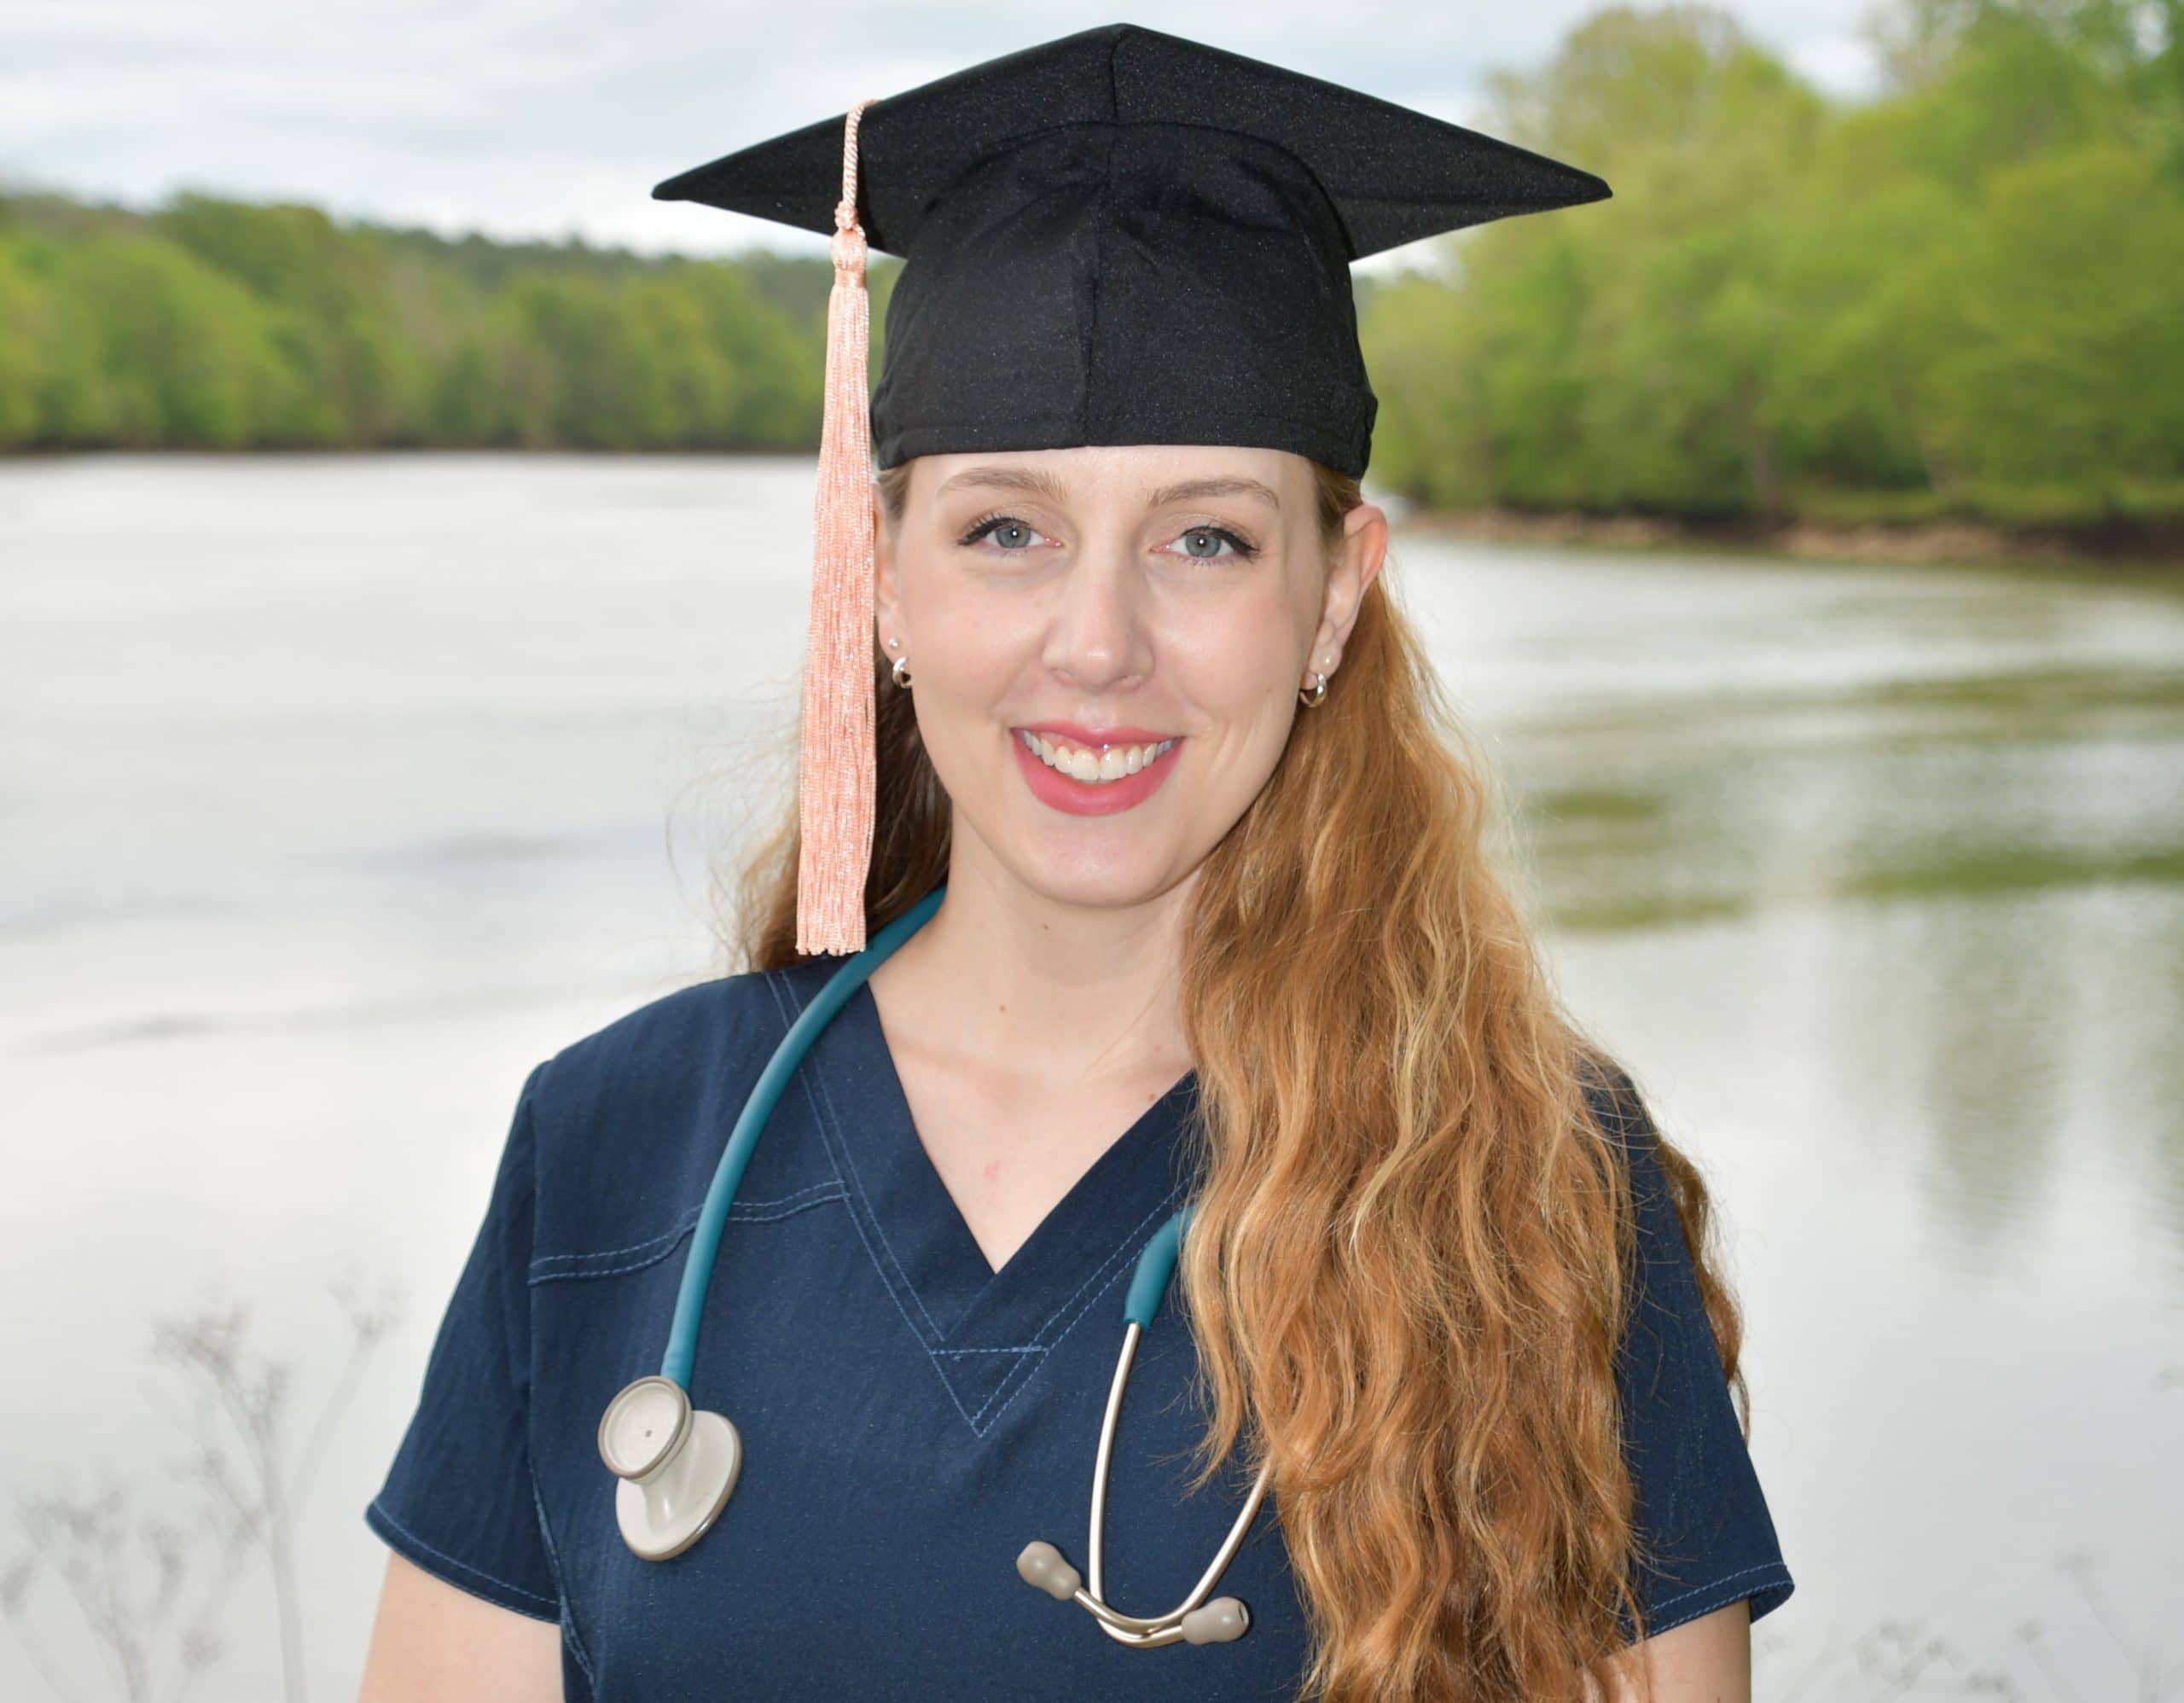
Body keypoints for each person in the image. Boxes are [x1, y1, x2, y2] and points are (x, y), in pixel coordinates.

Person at [357, 23, 1794, 1703]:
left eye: (1204, 537)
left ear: (1332, 593)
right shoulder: (613, 1149)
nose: (1094, 642)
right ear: (879, 570)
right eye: (1002, 530)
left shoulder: (1527, 1188)